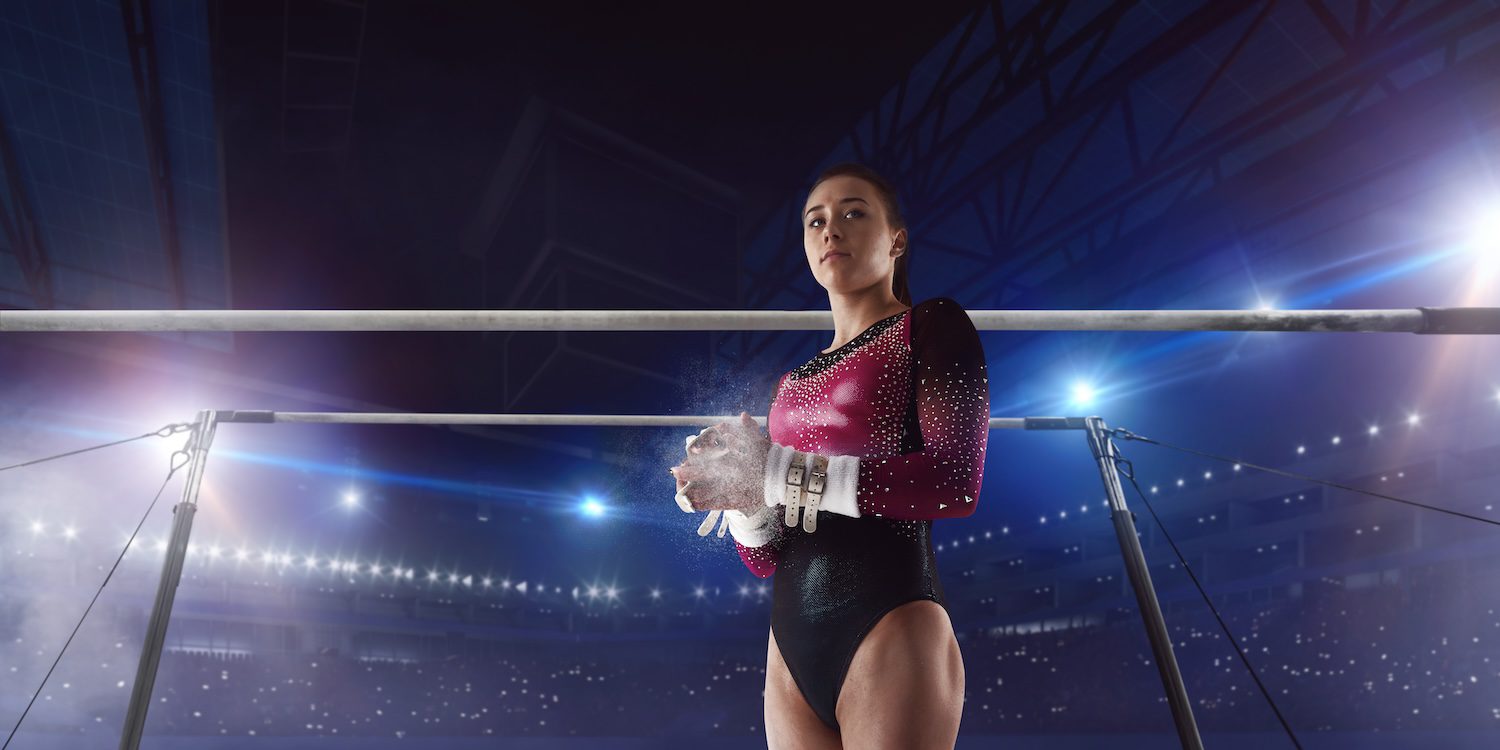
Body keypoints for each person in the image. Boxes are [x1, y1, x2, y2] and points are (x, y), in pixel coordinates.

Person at [670, 162, 990, 749]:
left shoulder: (931, 325)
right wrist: (743, 503)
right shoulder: (790, 386)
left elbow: (953, 483)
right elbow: (769, 559)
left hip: (889, 616)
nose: (830, 230)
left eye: (852, 213)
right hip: (789, 645)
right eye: (815, 220)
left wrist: (776, 471)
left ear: (896, 239)